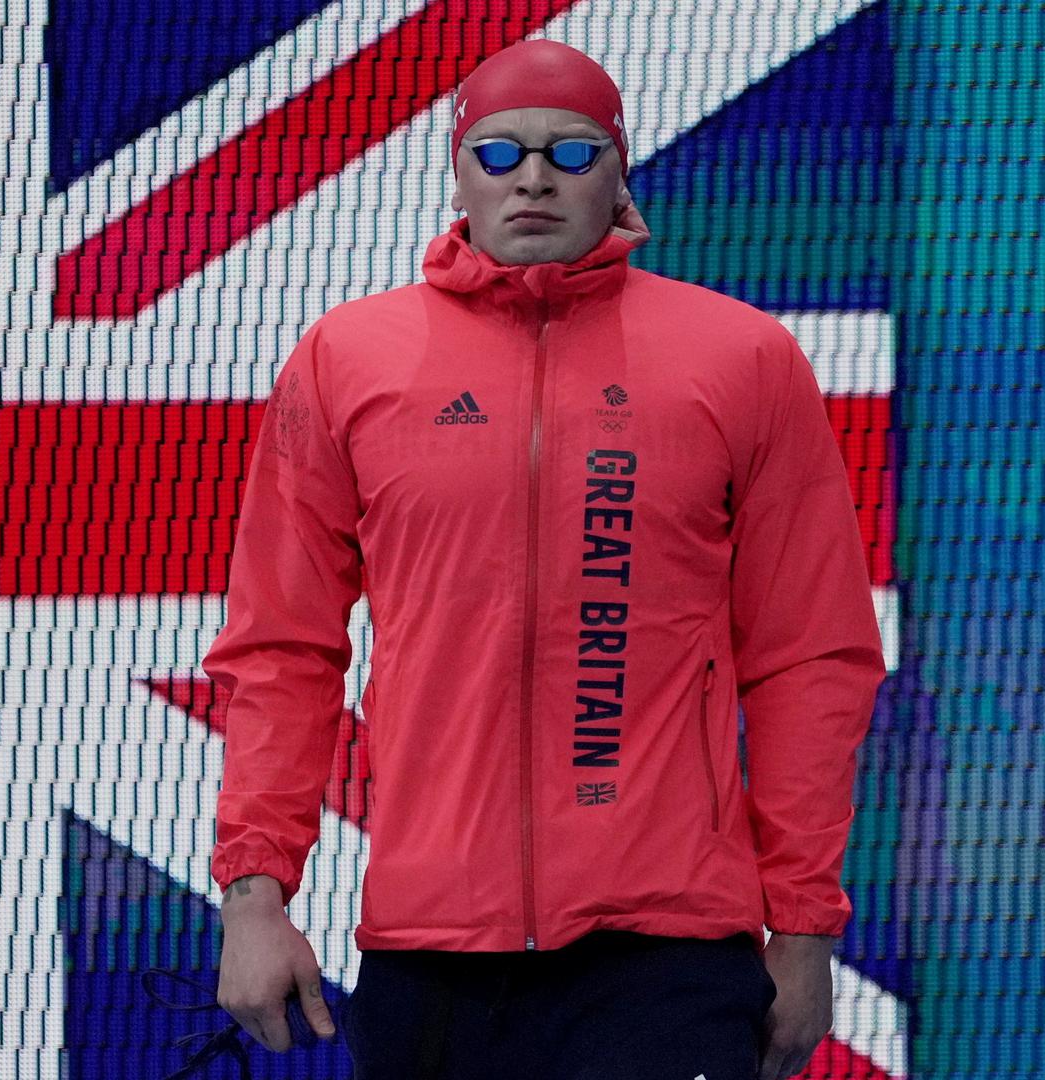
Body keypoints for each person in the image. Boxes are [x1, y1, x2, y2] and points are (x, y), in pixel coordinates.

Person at [203, 39, 886, 1080]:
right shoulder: (346, 360)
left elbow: (809, 659)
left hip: (665, 956)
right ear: (457, 173)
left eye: (570, 152)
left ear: (618, 172)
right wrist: (254, 895)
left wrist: (800, 928)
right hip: (430, 955)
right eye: (499, 151)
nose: (531, 177)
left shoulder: (741, 359)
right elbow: (279, 648)